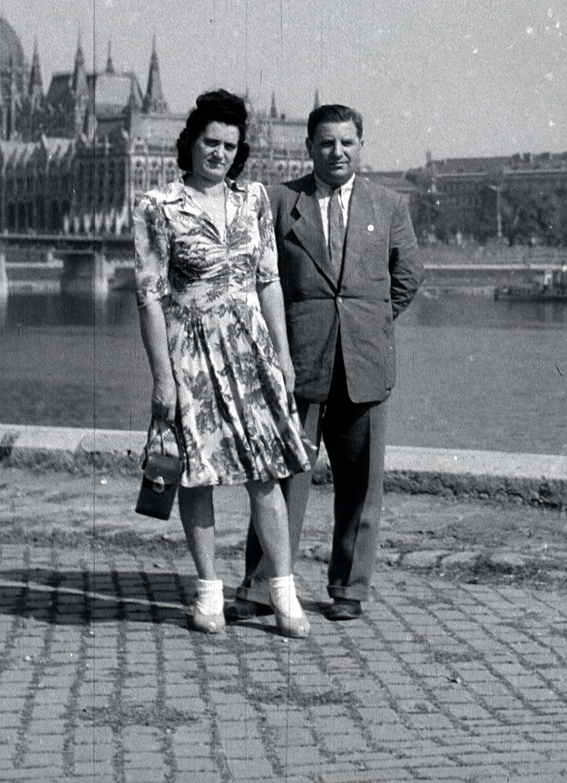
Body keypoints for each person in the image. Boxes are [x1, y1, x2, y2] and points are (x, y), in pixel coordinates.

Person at [132, 89, 313, 637]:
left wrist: (282, 355)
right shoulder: (157, 207)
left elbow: (269, 280)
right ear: (190, 144)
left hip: (251, 351)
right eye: (211, 142)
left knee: (266, 473)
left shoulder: (254, 199)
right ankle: (208, 590)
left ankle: (284, 592)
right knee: (198, 476)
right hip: (191, 353)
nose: (220, 154)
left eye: (231, 145)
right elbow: (149, 297)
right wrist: (163, 377)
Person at [234, 103, 424, 622]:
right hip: (297, 363)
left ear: (361, 146)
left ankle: (349, 588)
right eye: (325, 143)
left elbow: (407, 278)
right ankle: (261, 584)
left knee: (361, 485)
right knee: (283, 478)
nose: (336, 152)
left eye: (346, 143)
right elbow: (255, 276)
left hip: (364, 363)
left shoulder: (389, 205)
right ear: (309, 148)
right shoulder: (280, 201)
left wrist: (368, 322)